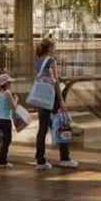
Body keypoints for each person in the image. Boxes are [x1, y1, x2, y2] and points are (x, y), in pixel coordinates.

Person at [31, 40, 77, 170]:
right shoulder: (51, 61)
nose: (54, 49)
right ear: (49, 48)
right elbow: (55, 82)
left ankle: (40, 160)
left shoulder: (37, 61)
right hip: (53, 97)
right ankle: (65, 158)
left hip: (41, 97)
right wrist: (61, 101)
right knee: (62, 125)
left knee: (42, 128)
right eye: (53, 46)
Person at [0, 73, 23, 169]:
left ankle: (0, 157)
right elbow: (13, 108)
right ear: (5, 84)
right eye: (9, 82)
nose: (10, 84)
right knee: (7, 140)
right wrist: (16, 100)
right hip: (6, 120)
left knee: (3, 140)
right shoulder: (8, 93)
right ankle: (2, 161)